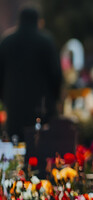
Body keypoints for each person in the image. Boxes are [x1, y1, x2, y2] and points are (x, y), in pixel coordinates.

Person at [0, 7, 62, 141]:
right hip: (41, 106)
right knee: (40, 146)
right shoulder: (46, 42)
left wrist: (5, 99)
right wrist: (55, 99)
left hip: (14, 105)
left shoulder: (6, 42)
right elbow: (56, 75)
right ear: (38, 21)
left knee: (16, 145)